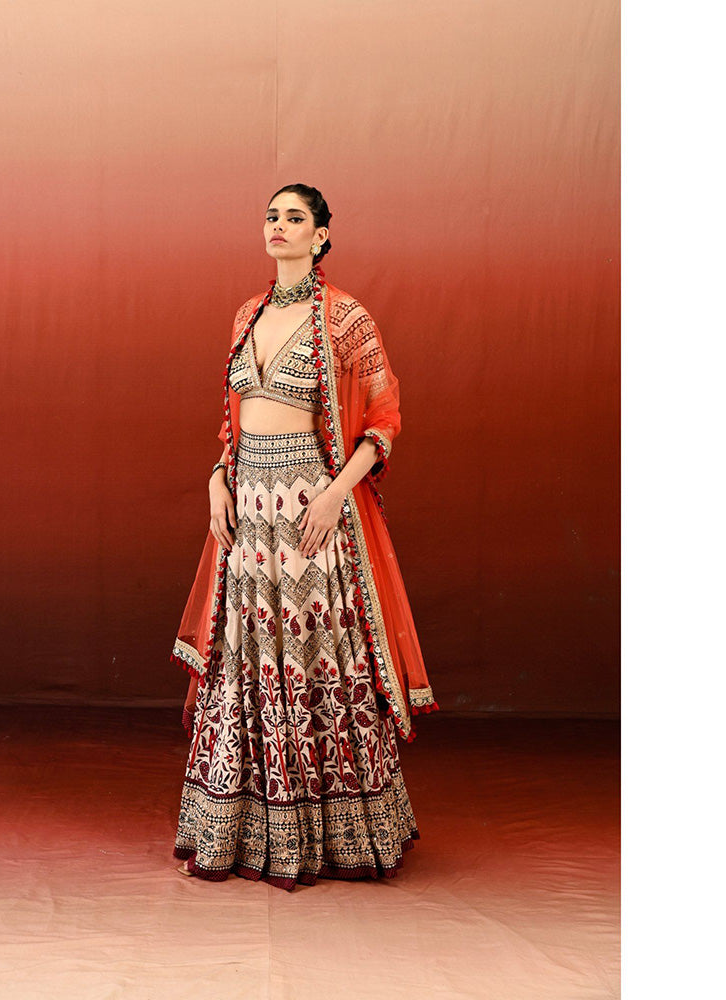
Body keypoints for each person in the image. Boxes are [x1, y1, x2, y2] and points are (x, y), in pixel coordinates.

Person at [170, 183, 438, 891]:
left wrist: (334, 494)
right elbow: (233, 419)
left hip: (310, 509)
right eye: (272, 216)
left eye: (295, 218)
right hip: (249, 511)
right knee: (248, 661)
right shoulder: (247, 314)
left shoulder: (345, 317)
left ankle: (334, 832)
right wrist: (217, 479)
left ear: (321, 236)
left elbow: (382, 418)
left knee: (311, 658)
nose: (279, 227)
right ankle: (241, 830)